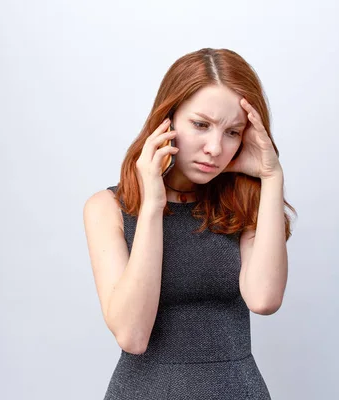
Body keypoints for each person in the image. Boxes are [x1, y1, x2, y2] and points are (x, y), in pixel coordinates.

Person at [83, 48, 296, 399]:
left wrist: (272, 177)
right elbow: (133, 335)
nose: (215, 147)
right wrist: (152, 205)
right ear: (167, 120)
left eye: (233, 132)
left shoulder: (244, 202)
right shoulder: (107, 208)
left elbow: (264, 299)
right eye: (201, 124)